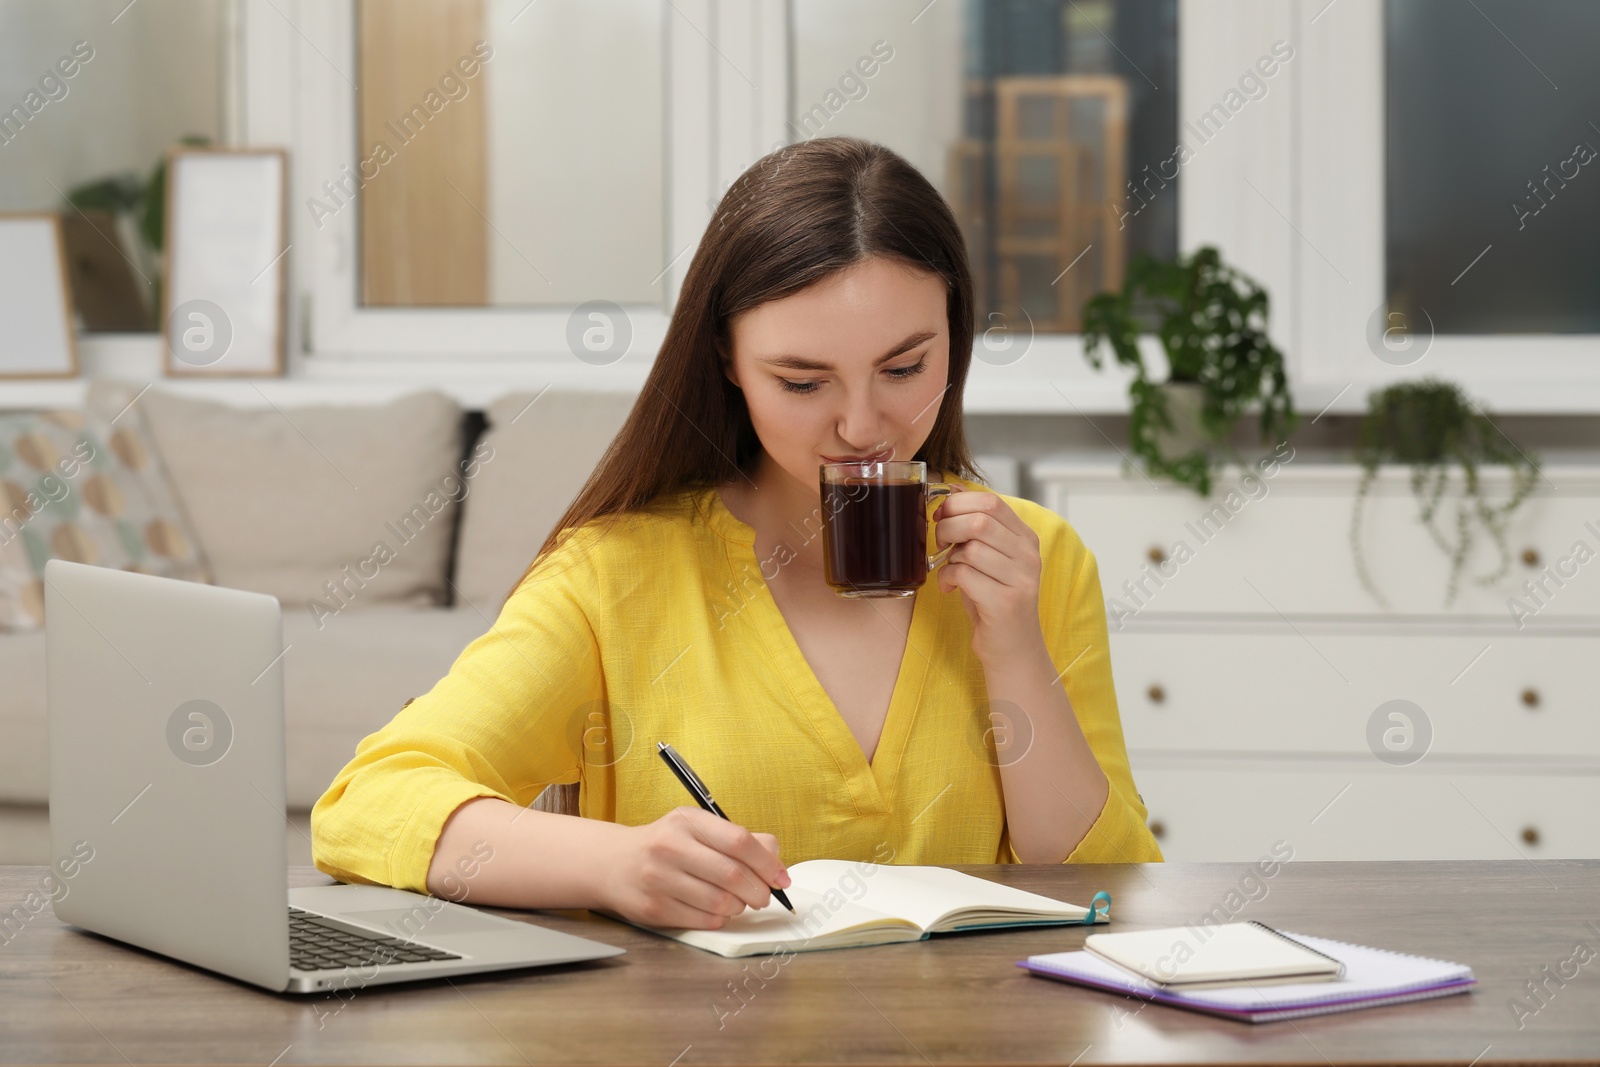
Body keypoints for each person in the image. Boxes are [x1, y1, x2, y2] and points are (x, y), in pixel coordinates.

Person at [311, 136, 1162, 933]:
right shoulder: (615, 577)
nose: (864, 425)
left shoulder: (1038, 559)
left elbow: (1102, 884)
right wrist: (615, 863)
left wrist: (1014, 646)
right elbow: (369, 802)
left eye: (906, 368)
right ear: (725, 359)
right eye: (802, 380)